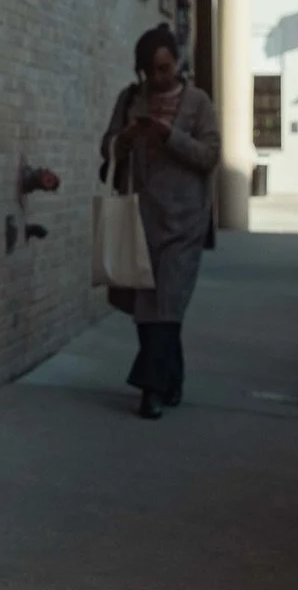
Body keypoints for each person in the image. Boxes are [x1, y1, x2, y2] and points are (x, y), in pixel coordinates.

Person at [99, 24, 221, 420]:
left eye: (166, 68)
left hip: (185, 221)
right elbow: (108, 145)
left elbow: (209, 155)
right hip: (140, 216)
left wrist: (170, 135)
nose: (160, 77)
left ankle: (149, 388)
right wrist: (130, 137)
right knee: (148, 308)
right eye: (152, 71)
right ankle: (172, 379)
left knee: (167, 304)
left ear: (177, 63)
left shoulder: (198, 102)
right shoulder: (131, 98)